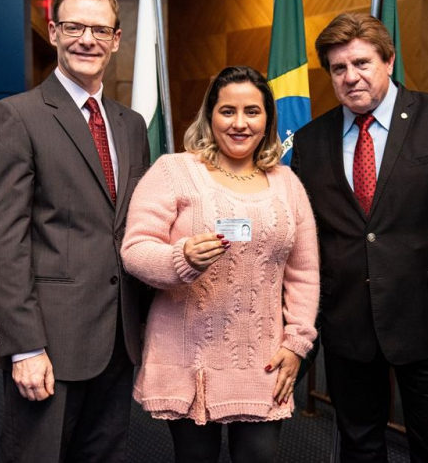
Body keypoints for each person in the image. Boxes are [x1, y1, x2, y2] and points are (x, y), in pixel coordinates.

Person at [291, 13, 428, 462]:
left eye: (361, 63)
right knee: (359, 446)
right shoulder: (310, 140)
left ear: (388, 60)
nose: (350, 77)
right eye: (338, 68)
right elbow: (308, 237)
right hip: (347, 326)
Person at [0, 0, 150, 462]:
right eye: (74, 27)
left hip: (119, 338)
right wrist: (24, 346)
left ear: (116, 39)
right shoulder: (16, 116)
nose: (87, 40)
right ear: (53, 32)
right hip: (50, 342)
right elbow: (3, 241)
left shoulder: (131, 125)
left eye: (100, 30)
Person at [121, 66, 319, 463]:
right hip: (189, 357)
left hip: (262, 359)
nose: (239, 123)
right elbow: (135, 250)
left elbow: (304, 273)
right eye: (228, 111)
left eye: (252, 111)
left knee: (259, 457)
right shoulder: (174, 171)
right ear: (210, 116)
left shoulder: (287, 183)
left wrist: (297, 343)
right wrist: (181, 258)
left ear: (268, 120)